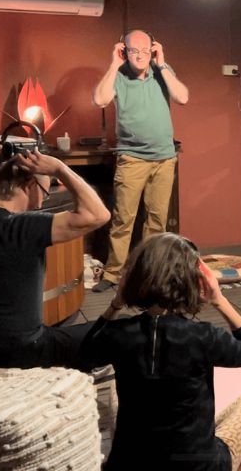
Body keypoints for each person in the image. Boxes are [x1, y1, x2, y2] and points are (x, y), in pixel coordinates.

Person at [80, 233, 241, 470]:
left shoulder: (118, 334)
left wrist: (116, 303)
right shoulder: (204, 337)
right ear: (192, 281)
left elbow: (87, 352)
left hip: (132, 463)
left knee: (115, 387)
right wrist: (219, 300)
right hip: (198, 465)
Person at [0, 139, 111, 369]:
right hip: (23, 350)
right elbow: (98, 215)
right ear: (31, 185)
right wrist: (60, 168)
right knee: (116, 332)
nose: (42, 201)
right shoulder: (26, 226)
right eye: (45, 193)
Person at [92, 29, 189, 292]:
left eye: (145, 50)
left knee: (157, 221)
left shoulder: (161, 74)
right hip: (132, 159)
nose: (140, 56)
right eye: (134, 50)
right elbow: (99, 99)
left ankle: (151, 273)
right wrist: (114, 63)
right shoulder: (120, 77)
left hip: (164, 159)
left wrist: (163, 63)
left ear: (153, 50)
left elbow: (183, 97)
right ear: (124, 51)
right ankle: (113, 274)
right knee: (123, 218)